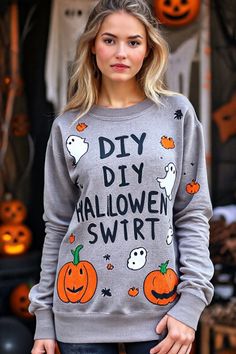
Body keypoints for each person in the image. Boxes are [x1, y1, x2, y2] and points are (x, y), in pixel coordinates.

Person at [29, 1, 214, 353]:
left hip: (162, 316)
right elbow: (57, 226)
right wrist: (43, 321)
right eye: (109, 40)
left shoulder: (176, 115)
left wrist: (191, 305)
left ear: (148, 50)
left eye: (133, 42)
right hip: (78, 318)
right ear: (92, 46)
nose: (121, 52)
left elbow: (191, 213)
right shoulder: (68, 127)